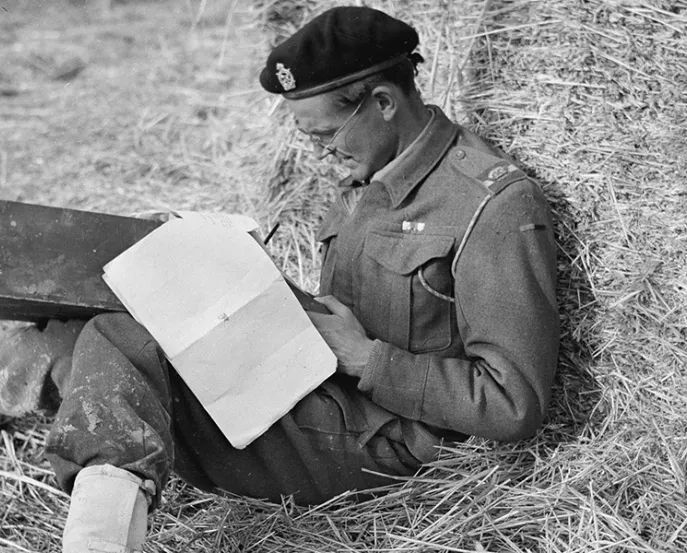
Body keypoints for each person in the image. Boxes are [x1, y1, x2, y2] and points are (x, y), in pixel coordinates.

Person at [0, 6, 559, 552]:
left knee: (117, 340)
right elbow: (347, 312)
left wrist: (367, 359)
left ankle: (98, 541)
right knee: (79, 321)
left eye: (325, 135)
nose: (321, 152)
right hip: (312, 384)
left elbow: (513, 403)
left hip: (386, 441)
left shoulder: (490, 206)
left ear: (383, 103)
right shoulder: (370, 169)